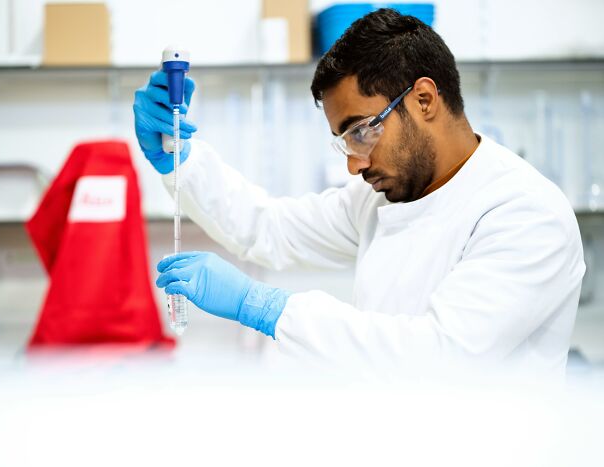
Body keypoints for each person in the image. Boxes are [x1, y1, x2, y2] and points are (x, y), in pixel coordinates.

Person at [133, 9, 584, 375]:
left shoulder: (525, 212)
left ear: (423, 99)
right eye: (344, 142)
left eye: (362, 132)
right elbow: (269, 228)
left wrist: (265, 307)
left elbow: (440, 358)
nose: (354, 164)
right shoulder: (383, 199)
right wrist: (179, 159)